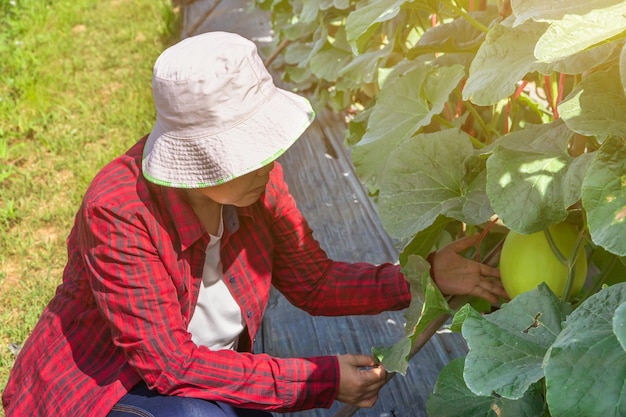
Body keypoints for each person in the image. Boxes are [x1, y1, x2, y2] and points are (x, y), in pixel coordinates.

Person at [2, 31, 507, 417]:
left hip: (206, 378)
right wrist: (319, 380)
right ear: (195, 156)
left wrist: (426, 278)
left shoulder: (258, 181)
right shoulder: (119, 210)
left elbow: (314, 281)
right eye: (244, 150)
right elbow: (168, 366)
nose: (267, 160)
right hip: (109, 387)